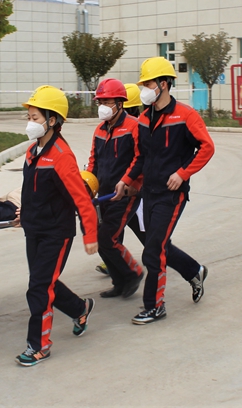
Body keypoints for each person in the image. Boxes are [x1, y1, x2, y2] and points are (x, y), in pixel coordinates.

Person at [114, 57, 214, 325]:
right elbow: (140, 157)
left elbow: (207, 147)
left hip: (172, 194)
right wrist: (126, 180)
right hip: (148, 193)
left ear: (164, 84)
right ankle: (194, 270)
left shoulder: (186, 115)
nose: (145, 89)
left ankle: (155, 306)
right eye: (144, 84)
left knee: (152, 250)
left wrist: (182, 174)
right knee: (158, 245)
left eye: (148, 84)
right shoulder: (143, 119)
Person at [16, 85, 99, 366]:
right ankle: (80, 309)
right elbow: (32, 190)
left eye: (35, 118)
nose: (30, 123)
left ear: (52, 120)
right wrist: (25, 212)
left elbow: (81, 199)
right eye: (29, 117)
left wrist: (90, 233)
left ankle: (39, 346)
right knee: (43, 281)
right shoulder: (33, 151)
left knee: (39, 287)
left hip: (56, 232)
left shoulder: (62, 156)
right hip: (34, 229)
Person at [87, 78, 144, 299]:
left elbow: (140, 158)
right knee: (103, 239)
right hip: (104, 195)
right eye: (100, 102)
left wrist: (128, 181)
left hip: (125, 194)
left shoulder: (134, 126)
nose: (102, 106)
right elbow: (94, 162)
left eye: (107, 102)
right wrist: (87, 186)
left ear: (120, 103)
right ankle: (119, 282)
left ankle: (134, 272)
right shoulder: (99, 130)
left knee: (107, 238)